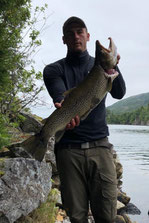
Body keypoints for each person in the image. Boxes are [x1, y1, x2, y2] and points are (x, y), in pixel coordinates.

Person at [43, 16, 126, 223]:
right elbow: (61, 98)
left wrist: (114, 66)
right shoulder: (54, 70)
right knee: (77, 217)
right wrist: (65, 112)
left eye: (80, 32)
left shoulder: (104, 69)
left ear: (87, 36)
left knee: (107, 215)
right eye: (70, 34)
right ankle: (40, 137)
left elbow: (120, 93)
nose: (76, 37)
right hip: (68, 150)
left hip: (101, 147)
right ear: (64, 39)